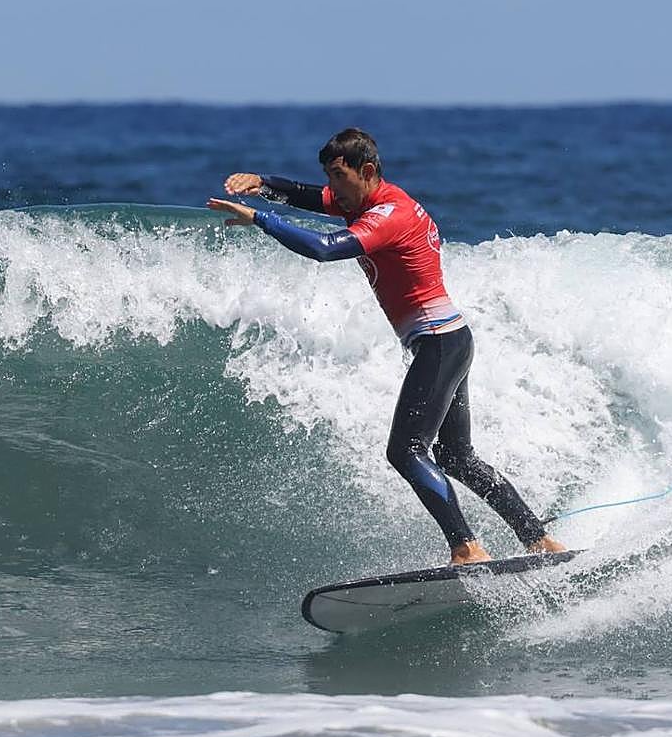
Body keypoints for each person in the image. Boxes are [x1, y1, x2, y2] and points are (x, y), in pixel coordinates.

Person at [207, 128, 565, 565]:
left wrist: (260, 218)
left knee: (406, 452)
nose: (332, 188)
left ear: (367, 171)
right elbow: (308, 196)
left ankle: (467, 547)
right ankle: (539, 540)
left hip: (438, 342)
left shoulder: (389, 214)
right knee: (456, 456)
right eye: (329, 176)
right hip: (450, 339)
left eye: (339, 176)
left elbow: (324, 248)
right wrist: (262, 183)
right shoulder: (366, 199)